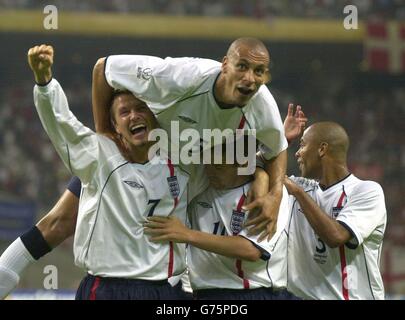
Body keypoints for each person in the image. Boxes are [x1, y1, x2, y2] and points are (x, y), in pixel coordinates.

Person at [0, 103, 305, 299]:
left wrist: (267, 163)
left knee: (59, 221)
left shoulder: (185, 166)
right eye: (123, 113)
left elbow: (227, 160)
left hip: (170, 289)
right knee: (59, 221)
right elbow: (57, 224)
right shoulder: (104, 160)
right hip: (115, 283)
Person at [25, 44, 190, 300]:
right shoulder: (99, 156)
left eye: (140, 108)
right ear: (115, 126)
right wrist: (45, 83)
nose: (134, 116)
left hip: (164, 291)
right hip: (107, 289)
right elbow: (62, 124)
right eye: (124, 112)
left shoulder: (181, 163)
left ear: (155, 116)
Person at [92, 37, 288, 241]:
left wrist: (275, 195)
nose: (249, 78)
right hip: (136, 153)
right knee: (68, 215)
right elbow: (103, 68)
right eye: (242, 66)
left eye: (258, 71)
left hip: (184, 170)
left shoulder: (262, 105)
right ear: (225, 65)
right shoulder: (179, 77)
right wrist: (105, 133)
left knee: (153, 238)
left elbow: (277, 148)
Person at [284, 122, 387, 300]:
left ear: (322, 149)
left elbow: (335, 236)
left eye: (302, 144)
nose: (297, 152)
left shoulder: (367, 191)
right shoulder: (299, 187)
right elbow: (245, 169)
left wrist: (298, 193)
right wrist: (282, 140)